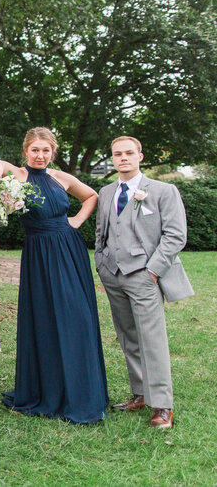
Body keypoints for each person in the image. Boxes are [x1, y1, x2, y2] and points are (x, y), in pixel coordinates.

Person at [0, 127, 108, 423]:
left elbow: (91, 196)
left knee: (77, 316)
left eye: (45, 151)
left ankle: (82, 391)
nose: (40, 155)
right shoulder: (18, 174)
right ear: (25, 151)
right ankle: (49, 389)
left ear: (53, 153)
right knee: (46, 318)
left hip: (69, 250)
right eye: (35, 150)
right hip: (38, 254)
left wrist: (76, 220)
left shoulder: (61, 178)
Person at [94, 136, 192, 430]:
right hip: (113, 274)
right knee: (127, 336)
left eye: (128, 153)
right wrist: (101, 262)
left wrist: (152, 271)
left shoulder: (163, 190)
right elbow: (103, 231)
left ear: (140, 156)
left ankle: (163, 405)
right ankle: (140, 393)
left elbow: (175, 235)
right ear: (112, 159)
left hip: (143, 274)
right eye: (117, 154)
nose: (123, 158)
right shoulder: (107, 190)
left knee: (152, 340)